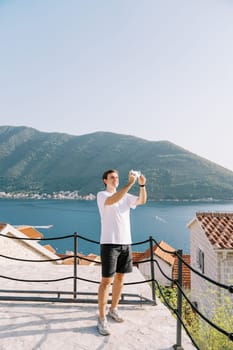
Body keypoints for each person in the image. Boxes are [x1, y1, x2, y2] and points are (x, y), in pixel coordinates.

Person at [96, 169, 147, 336]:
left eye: (117, 177)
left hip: (126, 243)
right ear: (105, 180)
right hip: (110, 244)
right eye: (112, 177)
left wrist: (142, 185)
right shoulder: (102, 195)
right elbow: (113, 200)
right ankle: (102, 318)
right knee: (106, 282)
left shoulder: (126, 197)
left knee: (120, 278)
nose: (115, 179)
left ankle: (113, 309)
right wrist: (130, 183)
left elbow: (142, 201)